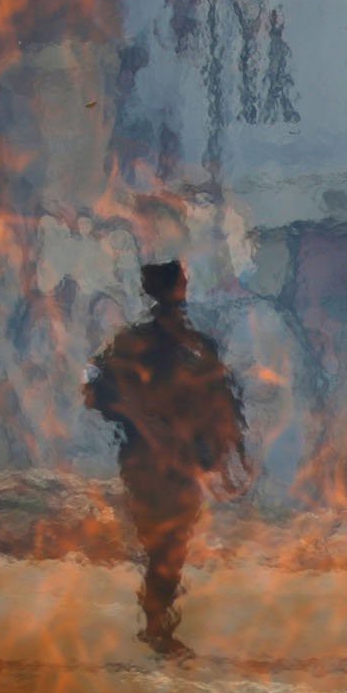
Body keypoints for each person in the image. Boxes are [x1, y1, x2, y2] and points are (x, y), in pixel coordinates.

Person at [84, 260, 249, 660]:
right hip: (147, 460)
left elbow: (222, 400)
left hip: (184, 459)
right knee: (162, 543)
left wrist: (230, 448)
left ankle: (158, 625)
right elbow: (98, 392)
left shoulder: (196, 345)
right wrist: (142, 421)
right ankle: (157, 624)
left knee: (171, 545)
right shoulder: (134, 344)